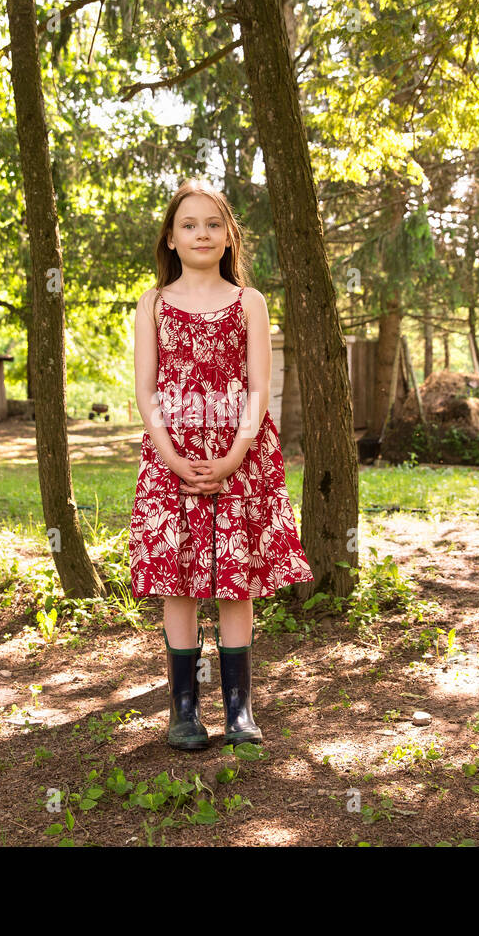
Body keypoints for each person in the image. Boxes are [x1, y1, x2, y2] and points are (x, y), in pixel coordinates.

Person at [129, 178, 313, 750]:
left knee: (237, 581)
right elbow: (145, 393)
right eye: (189, 224)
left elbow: (259, 389)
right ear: (171, 237)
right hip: (171, 455)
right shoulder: (153, 304)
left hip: (242, 452)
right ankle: (183, 712)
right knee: (178, 579)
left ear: (230, 234)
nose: (201, 233)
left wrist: (235, 454)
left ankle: (240, 711)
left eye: (213, 223)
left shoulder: (249, 302)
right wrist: (172, 457)